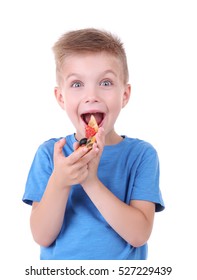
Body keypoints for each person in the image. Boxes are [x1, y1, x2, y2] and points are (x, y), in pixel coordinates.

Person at [22, 28, 164, 260]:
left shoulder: (141, 155)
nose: (92, 95)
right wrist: (60, 180)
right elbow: (41, 235)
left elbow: (139, 234)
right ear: (61, 97)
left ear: (125, 95)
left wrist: (90, 181)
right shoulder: (50, 154)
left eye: (105, 83)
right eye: (77, 84)